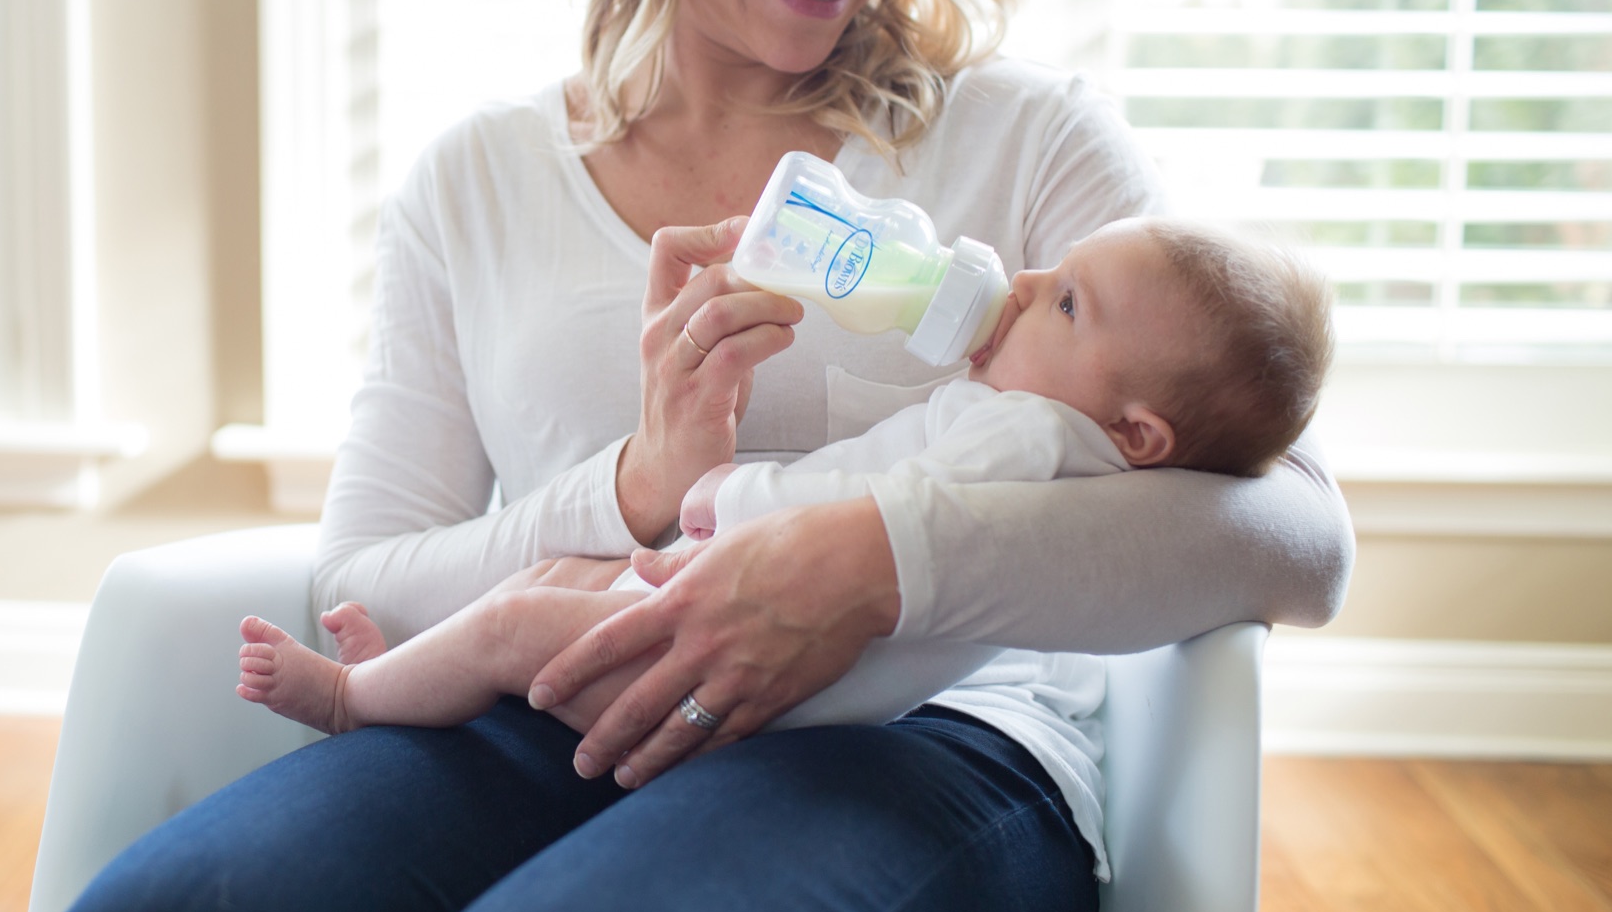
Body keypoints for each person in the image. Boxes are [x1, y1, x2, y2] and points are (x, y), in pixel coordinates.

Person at [30, 0, 1353, 912]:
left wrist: (869, 563)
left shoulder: (1030, 144)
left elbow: (1298, 537)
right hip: (559, 701)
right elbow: (362, 586)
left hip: (925, 739)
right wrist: (638, 489)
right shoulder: (478, 182)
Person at [235, 215, 1335, 741]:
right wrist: (651, 476)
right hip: (750, 633)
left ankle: (350, 698)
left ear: (1139, 432)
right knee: (554, 582)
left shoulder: (1030, 440)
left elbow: (866, 515)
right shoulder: (1035, 423)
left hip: (755, 669)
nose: (1030, 273)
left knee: (520, 619)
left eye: (1065, 303)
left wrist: (716, 494)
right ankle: (413, 681)